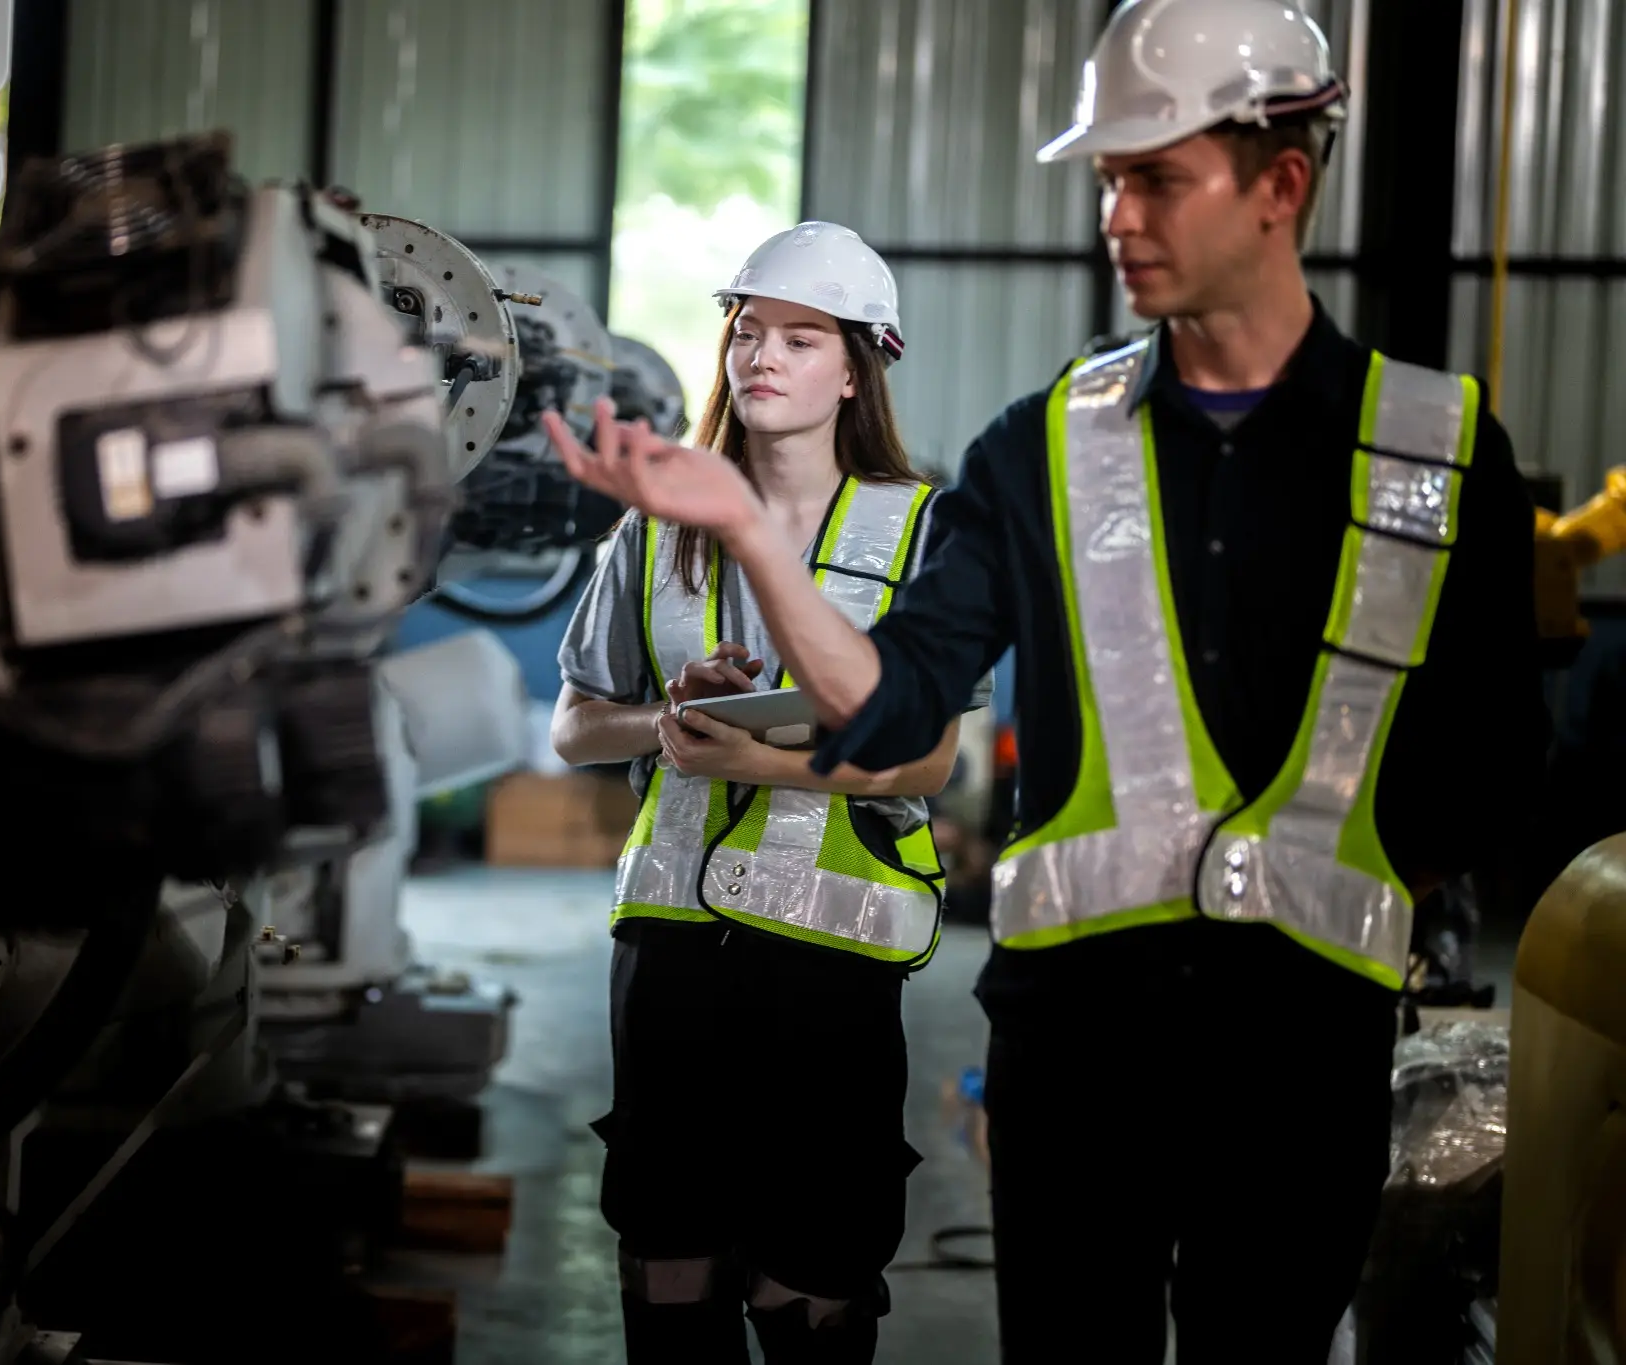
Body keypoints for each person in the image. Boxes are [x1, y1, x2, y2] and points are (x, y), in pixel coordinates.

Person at [541, 2, 1550, 1361]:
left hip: (1303, 1054)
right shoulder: (1039, 450)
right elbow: (902, 705)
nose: (1116, 217)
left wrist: (1315, 888)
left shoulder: (1438, 452)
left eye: (1156, 179)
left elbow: (1490, 775)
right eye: (1107, 180)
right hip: (1076, 1060)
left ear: (1279, 185)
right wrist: (747, 538)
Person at [550, 222, 990, 1365]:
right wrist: (662, 720)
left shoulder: (922, 530)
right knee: (668, 1260)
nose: (761, 356)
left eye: (800, 339)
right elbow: (572, 725)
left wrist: (754, 761)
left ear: (855, 370)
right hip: (670, 957)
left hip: (832, 963)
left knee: (812, 1278)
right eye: (747, 332)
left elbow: (930, 761)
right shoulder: (655, 528)